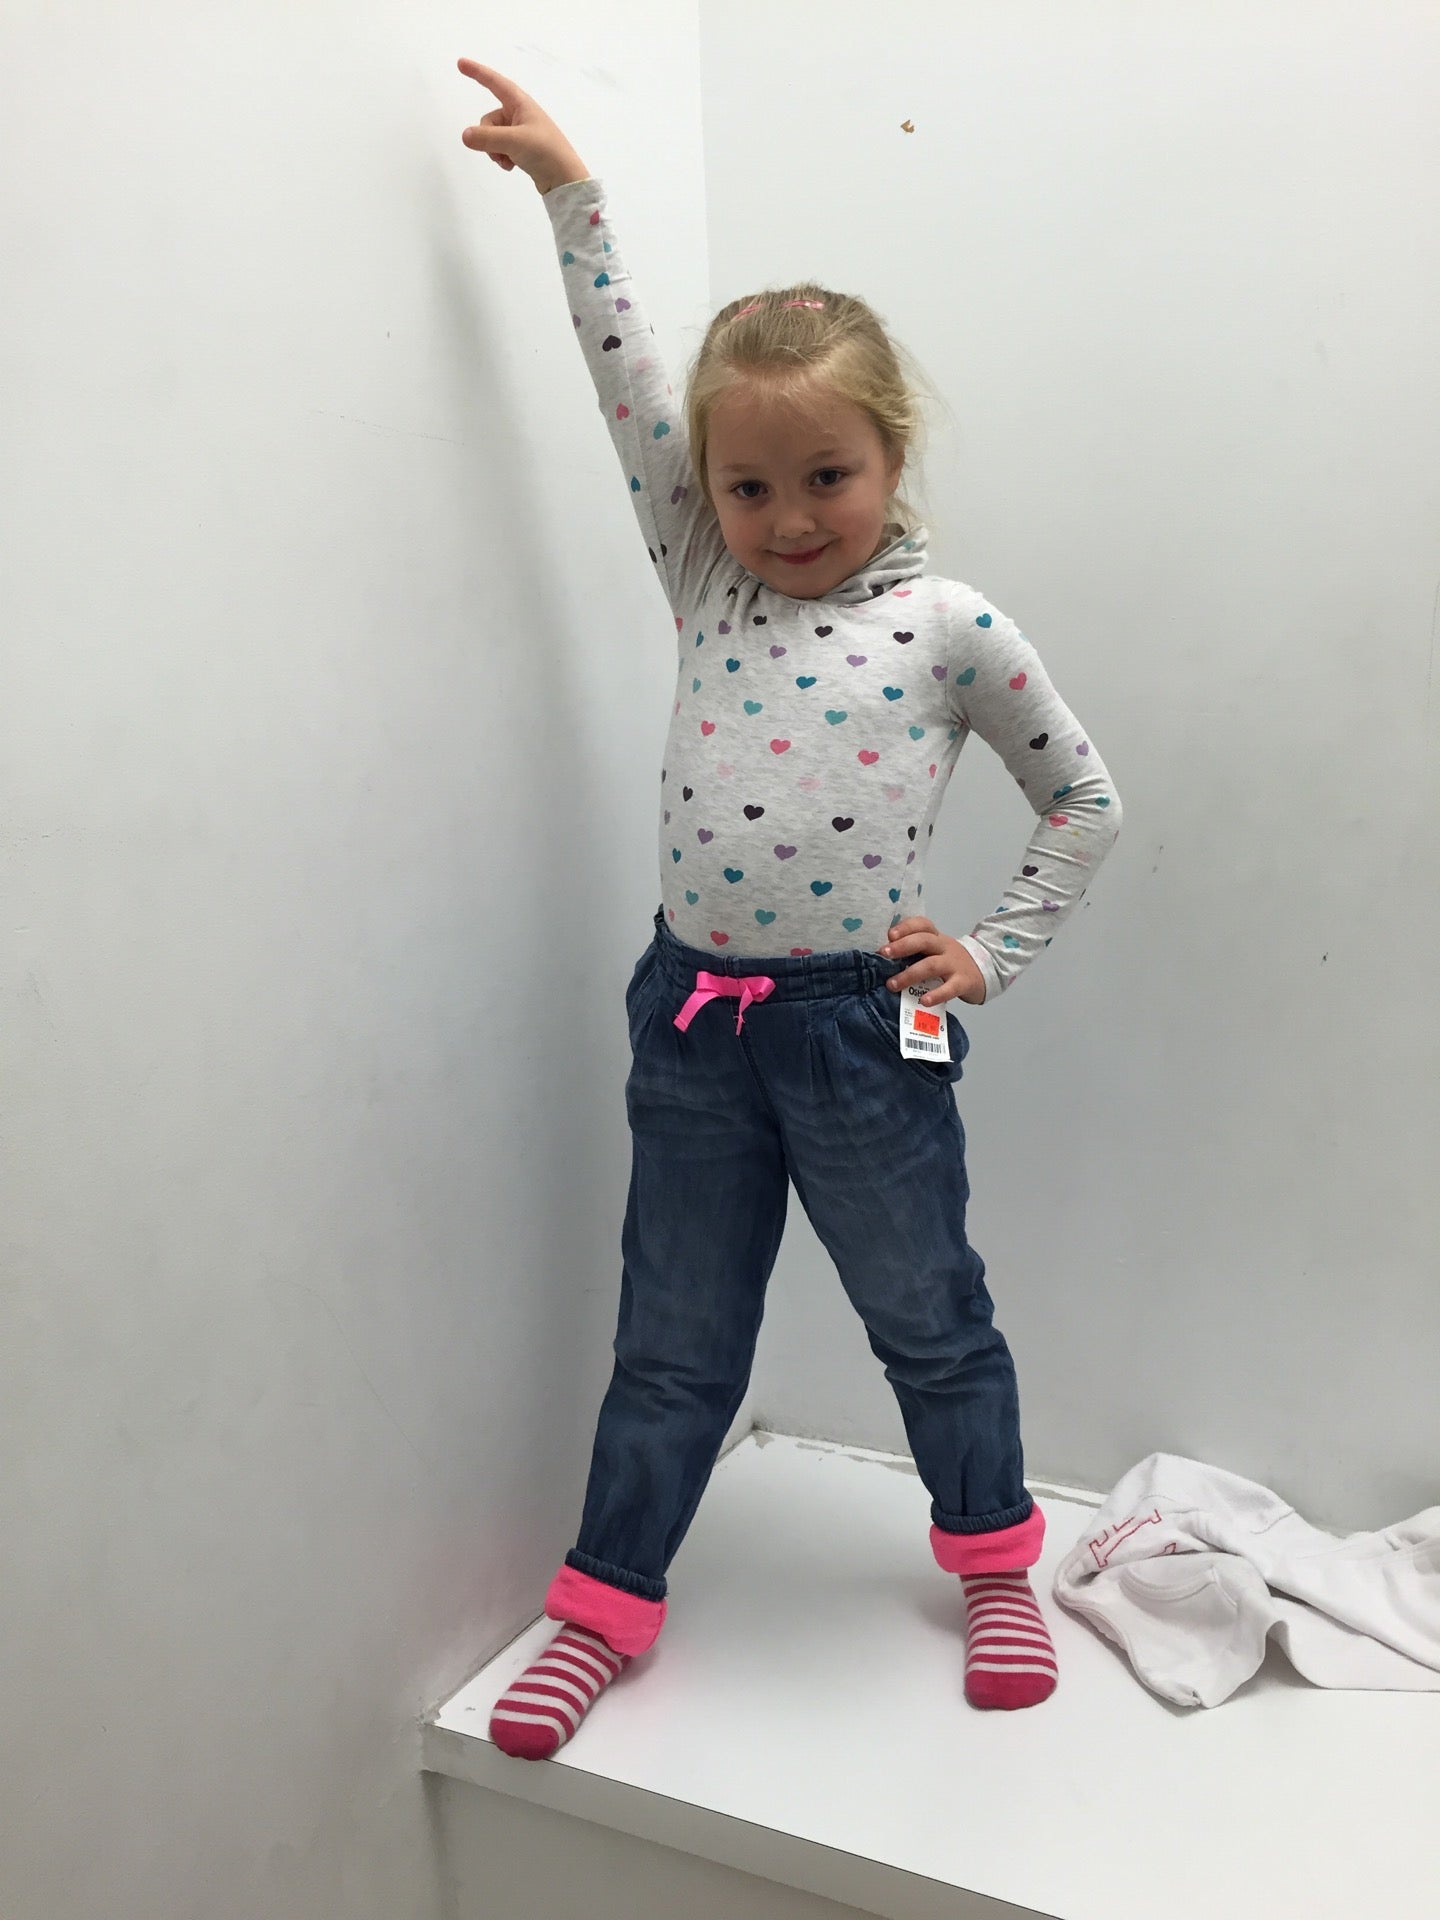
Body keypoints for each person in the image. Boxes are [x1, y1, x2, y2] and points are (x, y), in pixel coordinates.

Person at [459, 60, 1123, 1759]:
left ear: (892, 453)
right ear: (707, 493)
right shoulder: (703, 573)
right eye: (748, 488)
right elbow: (624, 380)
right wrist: (572, 196)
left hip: (859, 1039)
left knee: (930, 1318)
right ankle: (605, 1604)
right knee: (674, 1340)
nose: (787, 518)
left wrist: (990, 953)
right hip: (690, 1027)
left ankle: (994, 1559)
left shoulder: (952, 627)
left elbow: (1085, 801)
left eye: (826, 475)